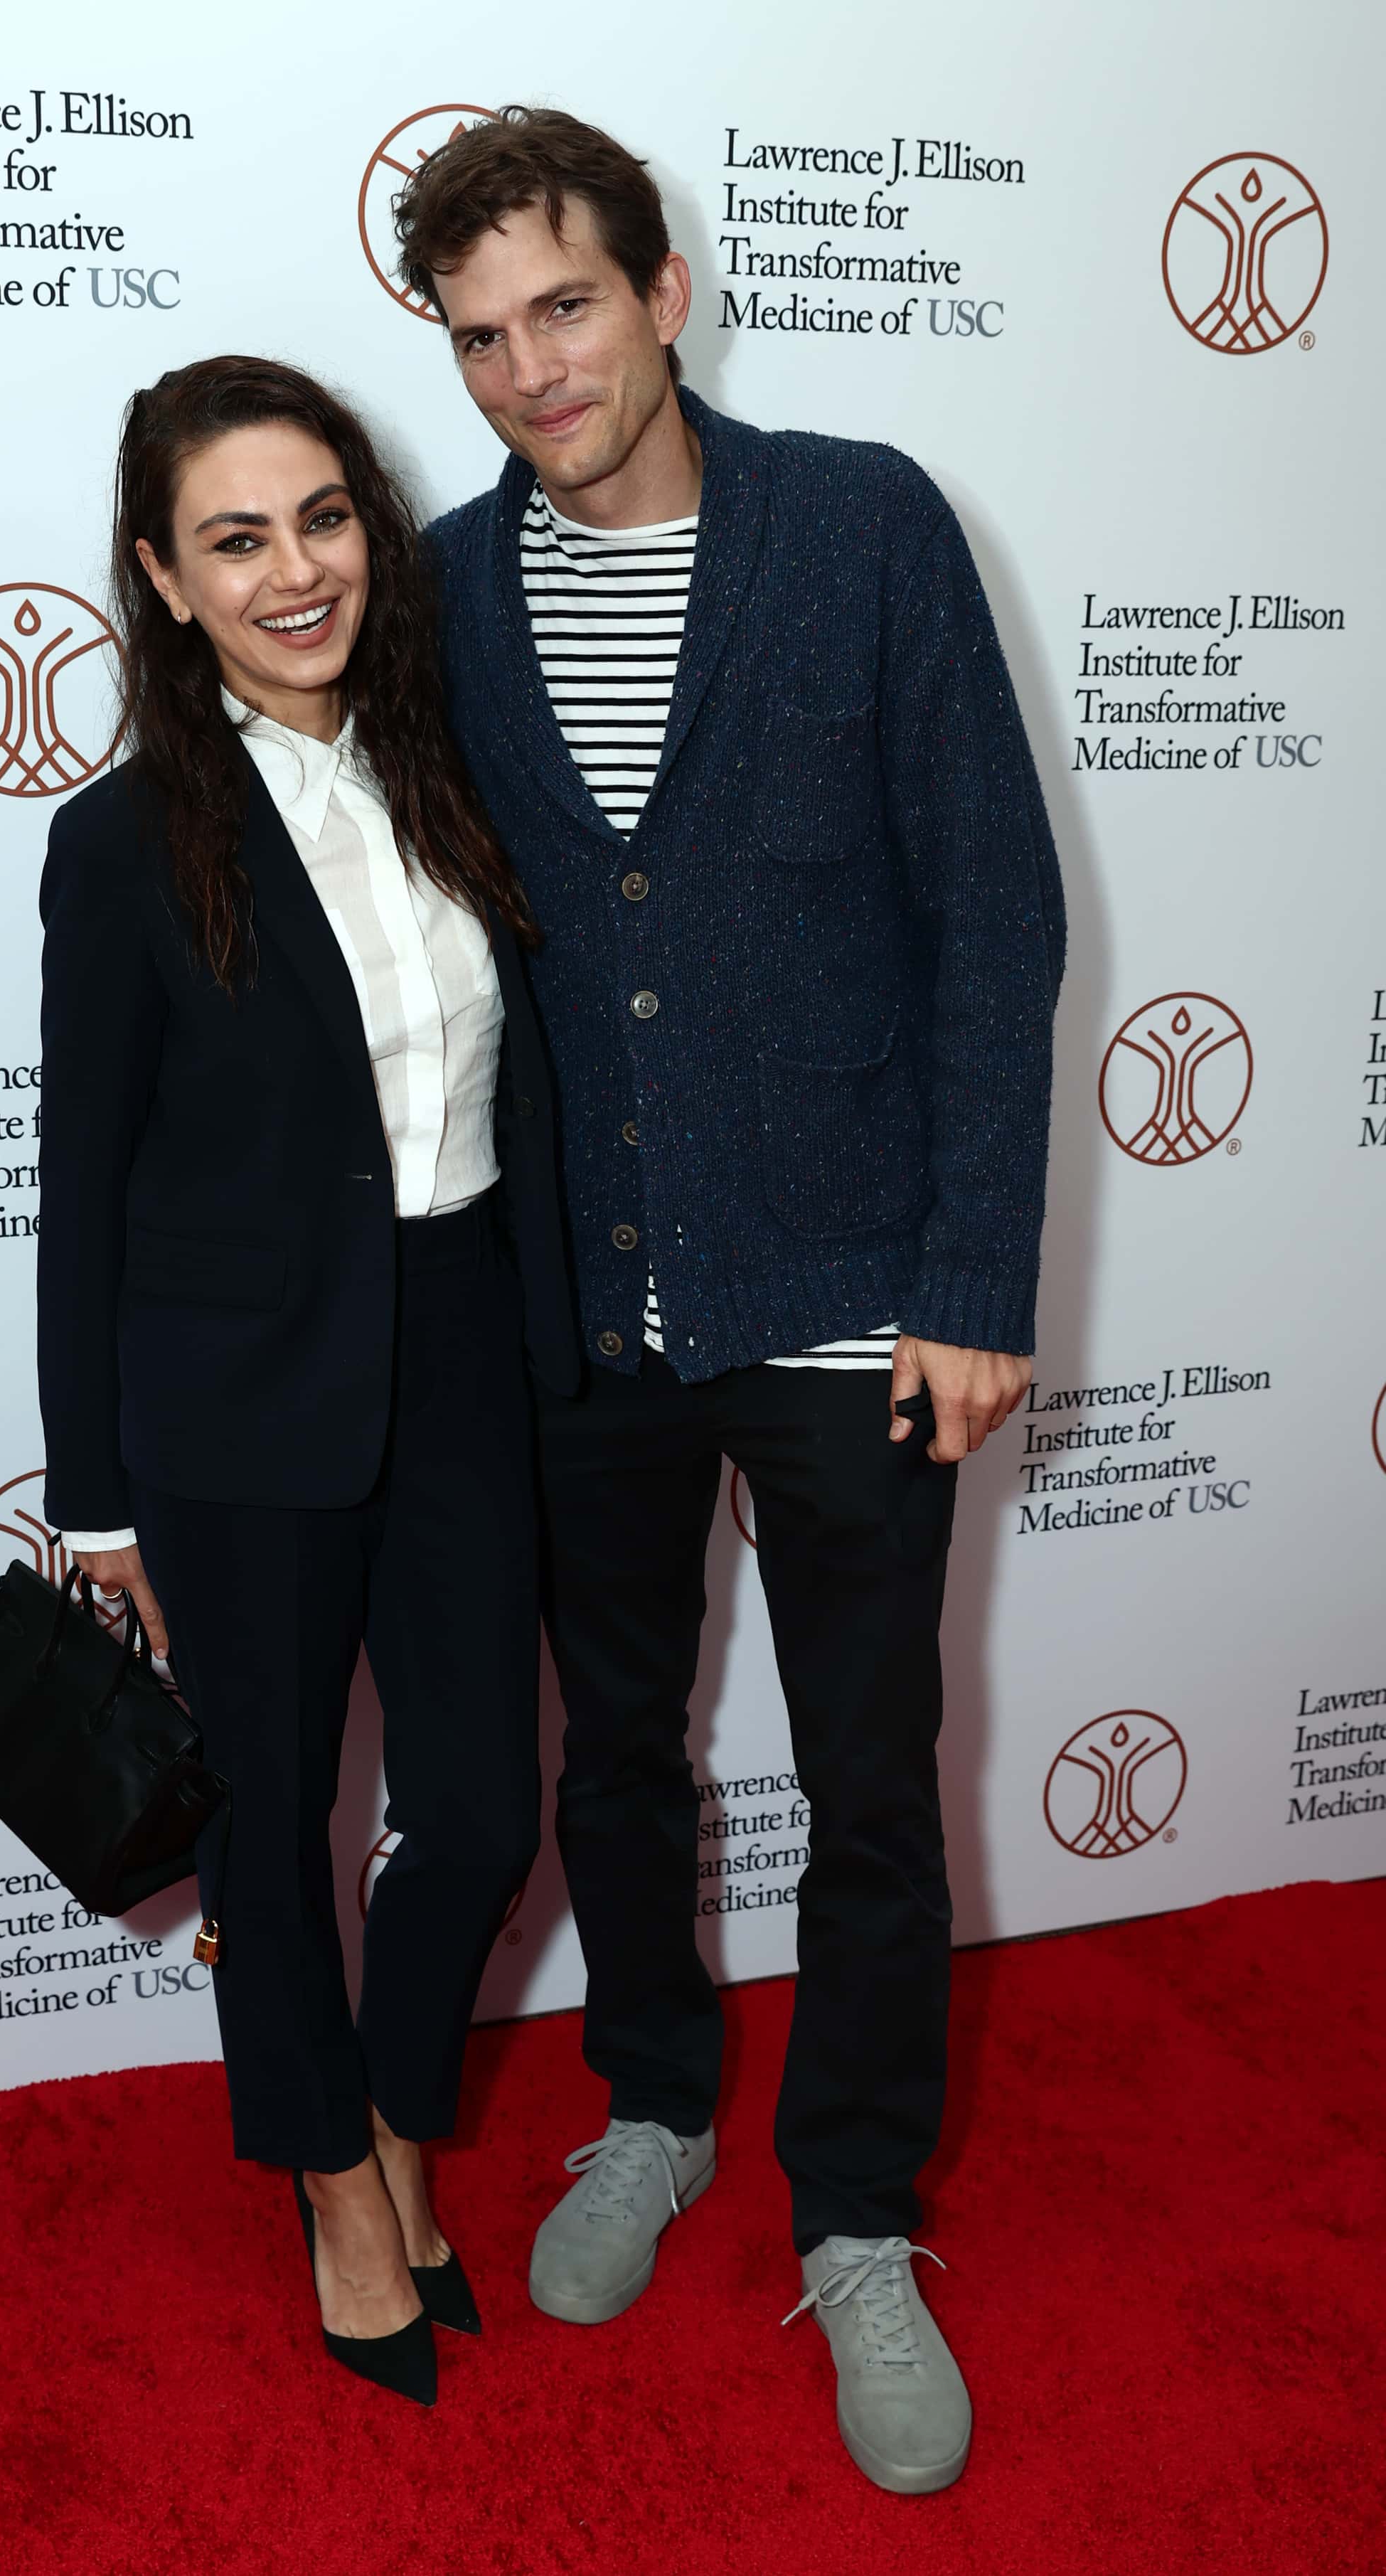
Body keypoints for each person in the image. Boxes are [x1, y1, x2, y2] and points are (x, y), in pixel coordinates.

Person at [394, 110, 1065, 2490]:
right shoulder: (445, 594)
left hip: (859, 1296)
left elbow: (997, 915)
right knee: (620, 1762)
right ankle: (657, 2104)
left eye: (563, 308)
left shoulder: (865, 525)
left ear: (664, 291)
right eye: (478, 339)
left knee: (874, 1780)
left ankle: (862, 2212)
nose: (529, 370)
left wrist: (978, 1276)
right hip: (582, 1313)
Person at [36, 354, 578, 2408]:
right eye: (237, 539)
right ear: (165, 581)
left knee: (470, 1809)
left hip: (461, 1359)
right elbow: (77, 1191)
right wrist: (96, 1500)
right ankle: (336, 2179)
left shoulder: (449, 775)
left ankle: (399, 2112)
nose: (295, 570)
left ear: (373, 529)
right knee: (264, 1831)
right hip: (233, 1402)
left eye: (324, 519)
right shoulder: (125, 846)